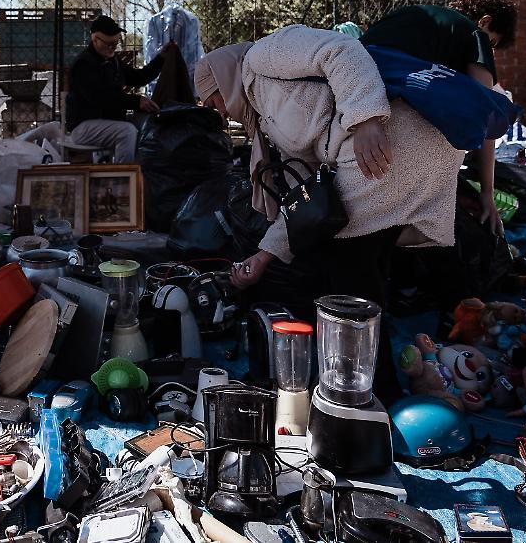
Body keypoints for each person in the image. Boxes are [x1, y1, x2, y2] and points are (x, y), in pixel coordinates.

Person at [195, 26, 466, 402]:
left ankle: (372, 400)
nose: (220, 115)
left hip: (388, 144)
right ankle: (378, 392)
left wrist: (366, 118)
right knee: (360, 272)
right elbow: (307, 198)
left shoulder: (262, 57)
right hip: (386, 157)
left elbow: (340, 51)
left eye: (213, 103)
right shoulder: (264, 115)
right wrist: (264, 256)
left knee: (347, 275)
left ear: (221, 80)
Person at [360, 0, 518, 235]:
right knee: (492, 109)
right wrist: (487, 192)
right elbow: (484, 110)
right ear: (485, 22)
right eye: (493, 43)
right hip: (396, 86)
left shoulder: (416, 16)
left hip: (356, 84)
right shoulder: (475, 33)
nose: (491, 53)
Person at [64, 15, 168, 163]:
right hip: (83, 126)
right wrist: (136, 101)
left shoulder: (112, 60)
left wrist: (161, 58)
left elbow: (139, 78)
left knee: (145, 122)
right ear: (95, 40)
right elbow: (101, 98)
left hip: (107, 121)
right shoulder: (84, 64)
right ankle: (123, 179)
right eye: (109, 43)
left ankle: (140, 174)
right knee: (127, 132)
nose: (113, 47)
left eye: (116, 43)